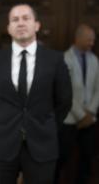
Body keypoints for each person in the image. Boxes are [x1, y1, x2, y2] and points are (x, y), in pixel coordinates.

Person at [0, 3, 72, 183]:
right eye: (15, 19)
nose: (20, 23)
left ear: (37, 25)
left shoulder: (55, 60)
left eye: (26, 18)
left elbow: (64, 101)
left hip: (42, 143)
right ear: (9, 28)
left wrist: (46, 123)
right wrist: (1, 121)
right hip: (1, 143)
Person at [55, 24, 99, 184]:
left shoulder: (94, 60)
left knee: (87, 159)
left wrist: (90, 112)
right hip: (69, 119)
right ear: (78, 38)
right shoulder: (64, 59)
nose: (92, 43)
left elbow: (98, 89)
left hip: (90, 120)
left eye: (93, 40)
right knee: (61, 157)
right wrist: (81, 115)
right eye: (89, 40)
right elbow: (64, 91)